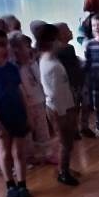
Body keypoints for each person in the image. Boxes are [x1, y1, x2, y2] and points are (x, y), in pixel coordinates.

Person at [38, 24, 80, 187]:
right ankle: (63, 173)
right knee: (65, 142)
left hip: (64, 106)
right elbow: (53, 93)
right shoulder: (50, 64)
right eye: (57, 39)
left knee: (67, 142)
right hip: (58, 110)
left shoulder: (52, 59)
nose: (60, 42)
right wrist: (63, 113)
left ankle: (65, 167)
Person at [0, 27, 32, 197]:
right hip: (2, 118)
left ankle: (22, 184)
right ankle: (10, 184)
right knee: (5, 152)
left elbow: (20, 92)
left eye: (6, 45)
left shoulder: (11, 68)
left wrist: (28, 114)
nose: (4, 49)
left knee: (19, 152)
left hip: (17, 115)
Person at [9, 32, 55, 167]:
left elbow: (40, 80)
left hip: (39, 101)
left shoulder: (33, 64)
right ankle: (29, 157)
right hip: (26, 106)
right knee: (27, 133)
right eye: (25, 47)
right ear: (15, 50)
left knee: (42, 130)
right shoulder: (15, 69)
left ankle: (47, 154)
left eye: (28, 46)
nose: (28, 50)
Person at [54, 21, 94, 139]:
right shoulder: (58, 51)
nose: (70, 31)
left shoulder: (70, 48)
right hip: (71, 84)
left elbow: (75, 63)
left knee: (85, 105)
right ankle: (75, 129)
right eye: (67, 30)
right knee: (74, 108)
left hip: (80, 80)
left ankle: (84, 127)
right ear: (60, 34)